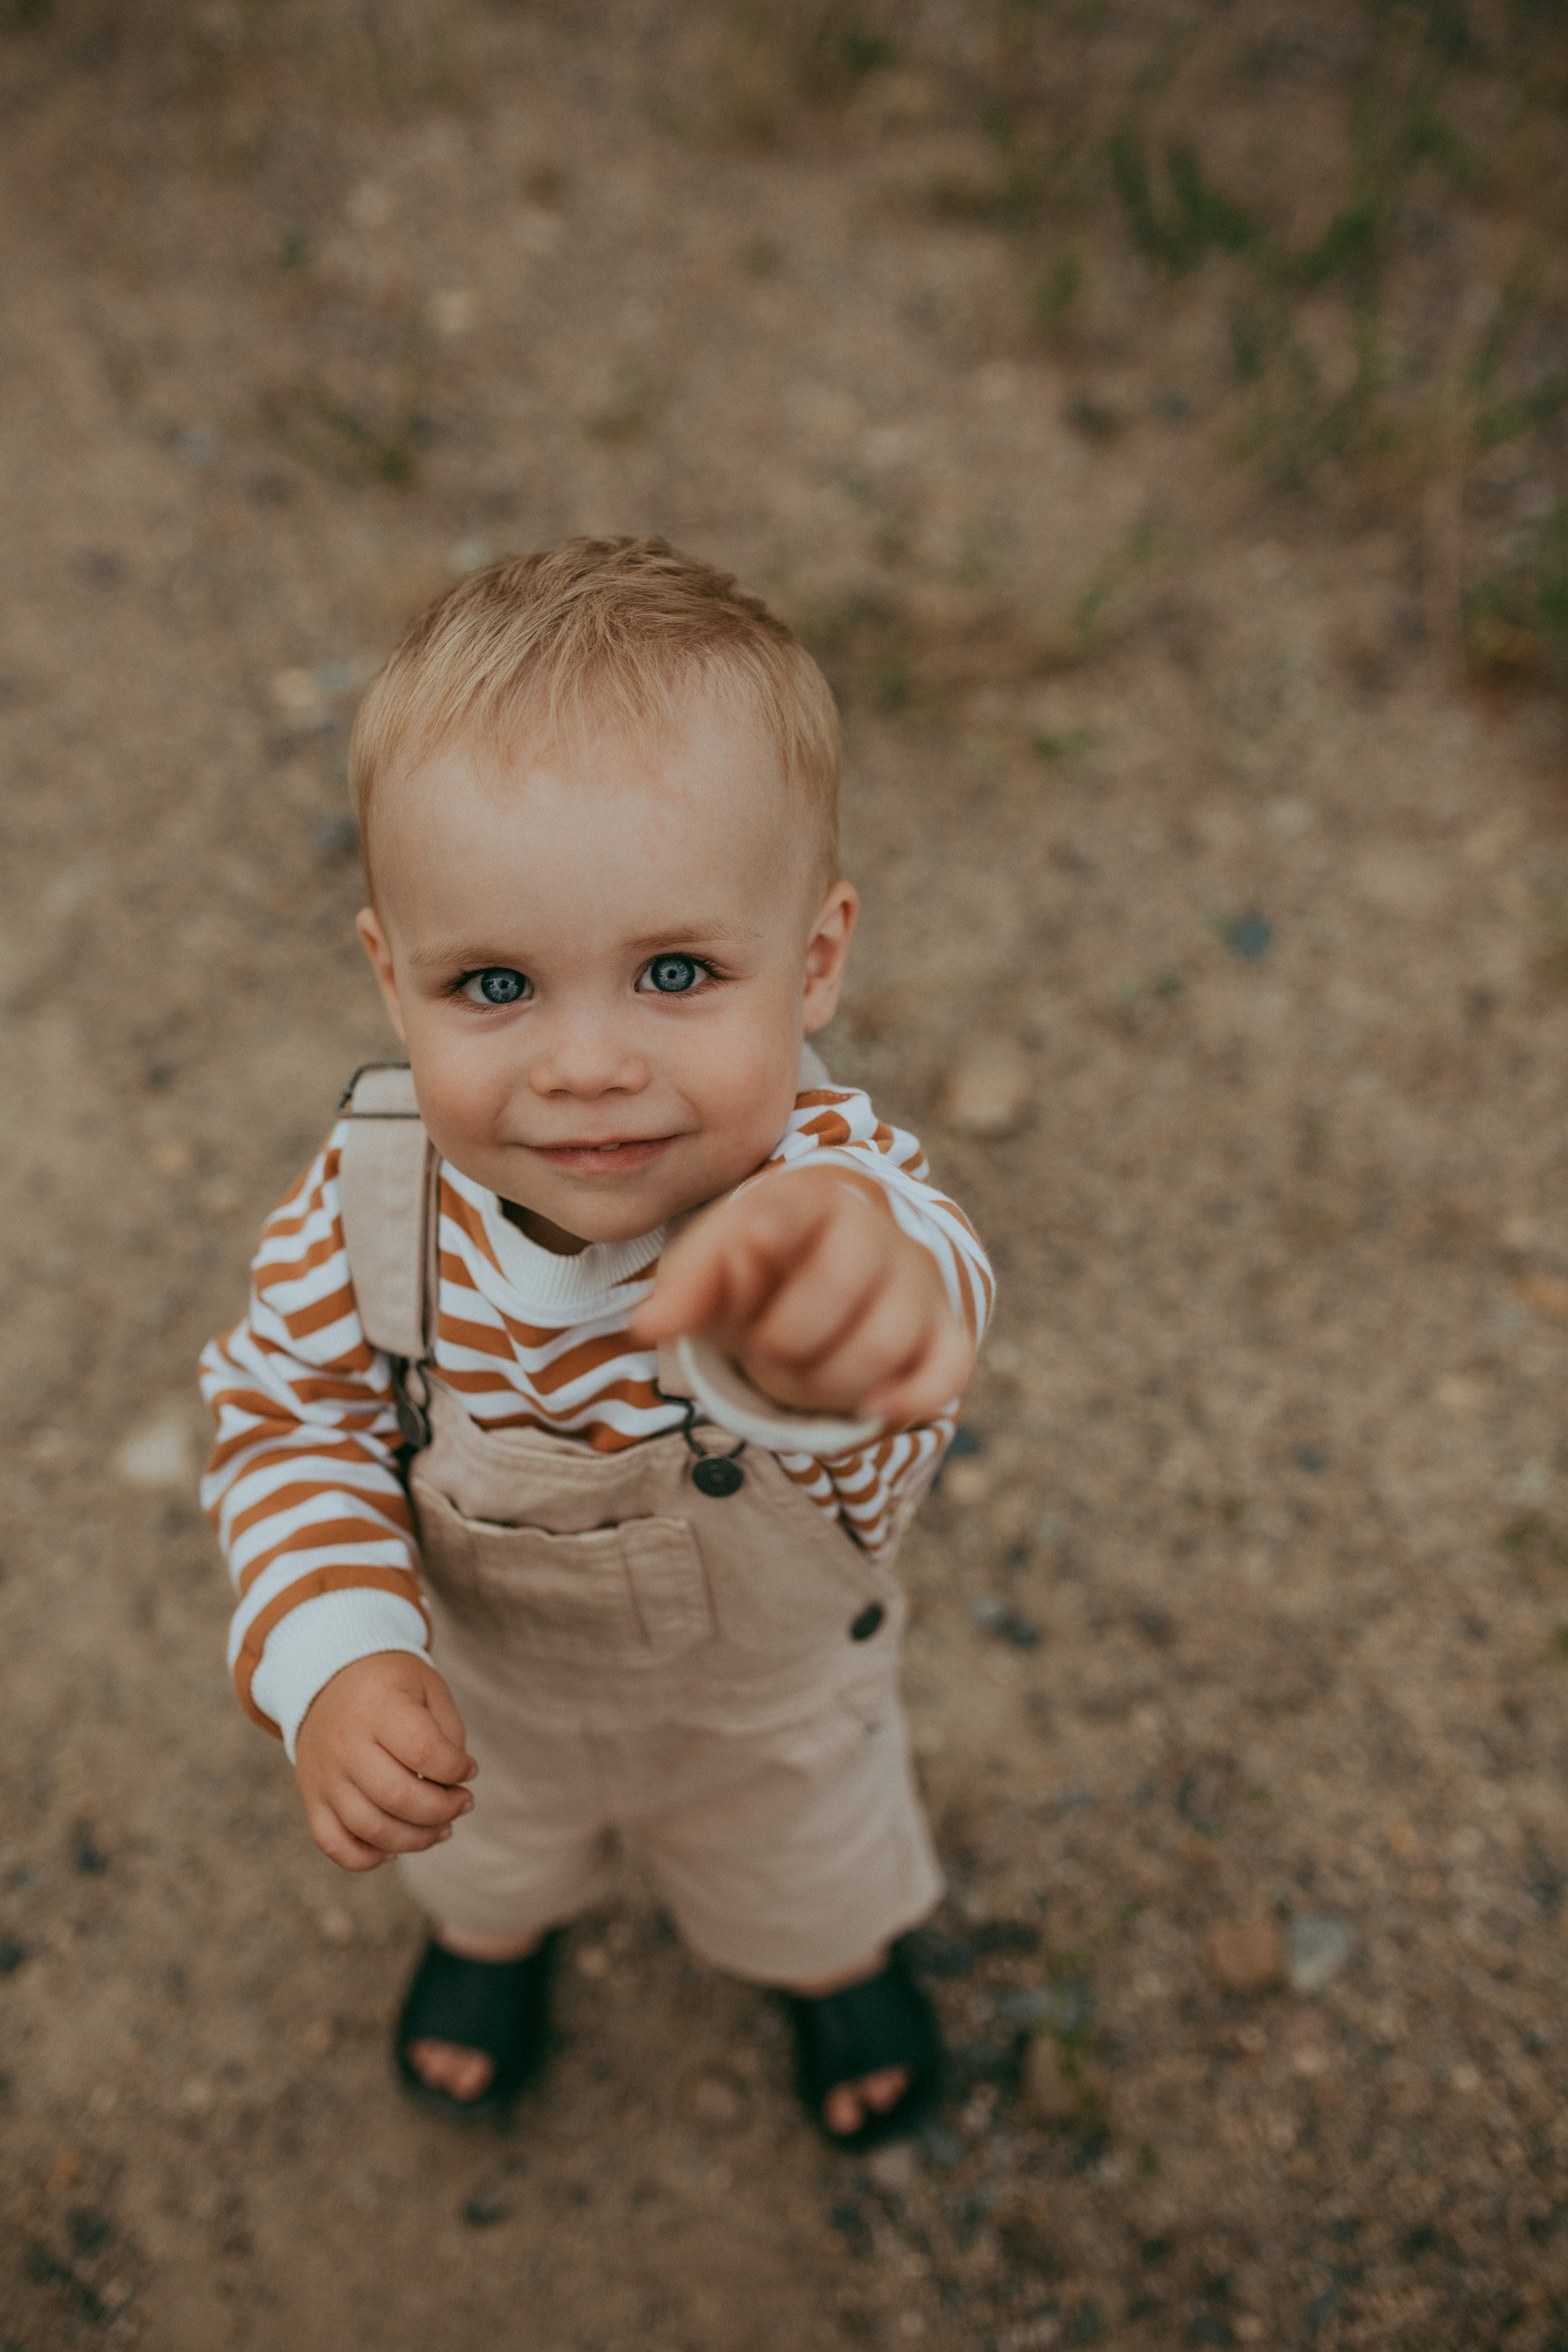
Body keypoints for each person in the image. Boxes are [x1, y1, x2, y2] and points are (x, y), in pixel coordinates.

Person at [200, 537, 993, 2146]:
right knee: (478, 1858)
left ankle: (829, 1967)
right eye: (494, 982)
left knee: (807, 1876)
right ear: (389, 979)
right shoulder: (366, 1211)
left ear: (817, 958)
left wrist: (842, 1316)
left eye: (678, 973)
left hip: (765, 1715)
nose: (586, 1064)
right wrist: (341, 1653)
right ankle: (498, 1947)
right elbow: (286, 1422)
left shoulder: (821, 1194)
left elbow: (918, 1272)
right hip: (487, 1702)